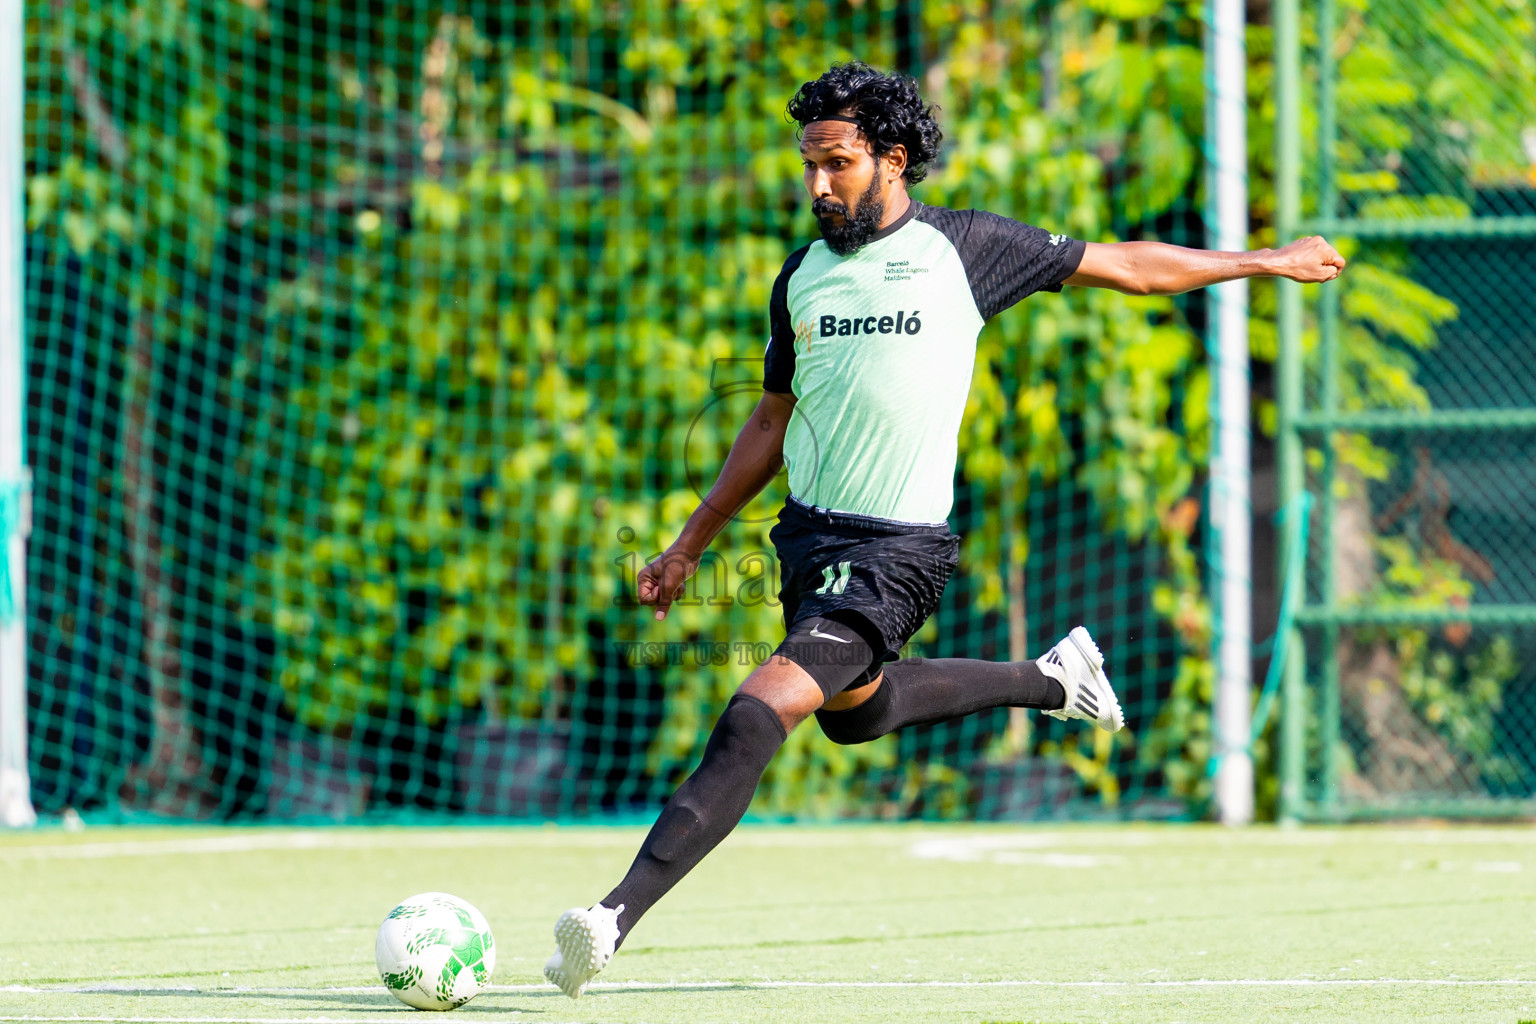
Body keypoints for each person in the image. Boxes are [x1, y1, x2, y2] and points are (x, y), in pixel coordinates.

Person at [542, 60, 1345, 999]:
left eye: (836, 163)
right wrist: (690, 544)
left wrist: (1264, 260)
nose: (816, 184)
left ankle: (609, 919)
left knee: (759, 708)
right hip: (807, 541)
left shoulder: (963, 250)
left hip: (898, 550)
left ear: (893, 158)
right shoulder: (799, 276)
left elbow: (1126, 265)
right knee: (859, 713)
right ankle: (1050, 680)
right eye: (807, 164)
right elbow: (769, 420)